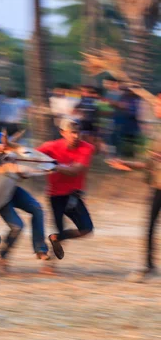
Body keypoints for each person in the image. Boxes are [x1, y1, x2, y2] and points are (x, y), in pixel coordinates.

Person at [0, 103, 51, 271]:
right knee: (18, 226)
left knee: (37, 208)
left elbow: (16, 154)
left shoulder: (0, 136)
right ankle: (4, 256)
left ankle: (40, 250)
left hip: (10, 187)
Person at [107, 93, 161, 282]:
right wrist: (127, 164)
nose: (155, 107)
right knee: (149, 227)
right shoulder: (157, 132)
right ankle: (148, 267)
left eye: (158, 104)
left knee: (151, 227)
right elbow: (150, 162)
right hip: (157, 186)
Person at [37, 117, 95, 260]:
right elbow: (32, 157)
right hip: (55, 195)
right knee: (59, 228)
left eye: (77, 132)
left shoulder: (87, 148)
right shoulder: (50, 146)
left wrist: (53, 166)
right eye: (72, 133)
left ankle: (56, 238)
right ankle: (50, 263)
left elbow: (75, 170)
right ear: (62, 132)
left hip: (73, 196)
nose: (75, 136)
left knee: (87, 229)